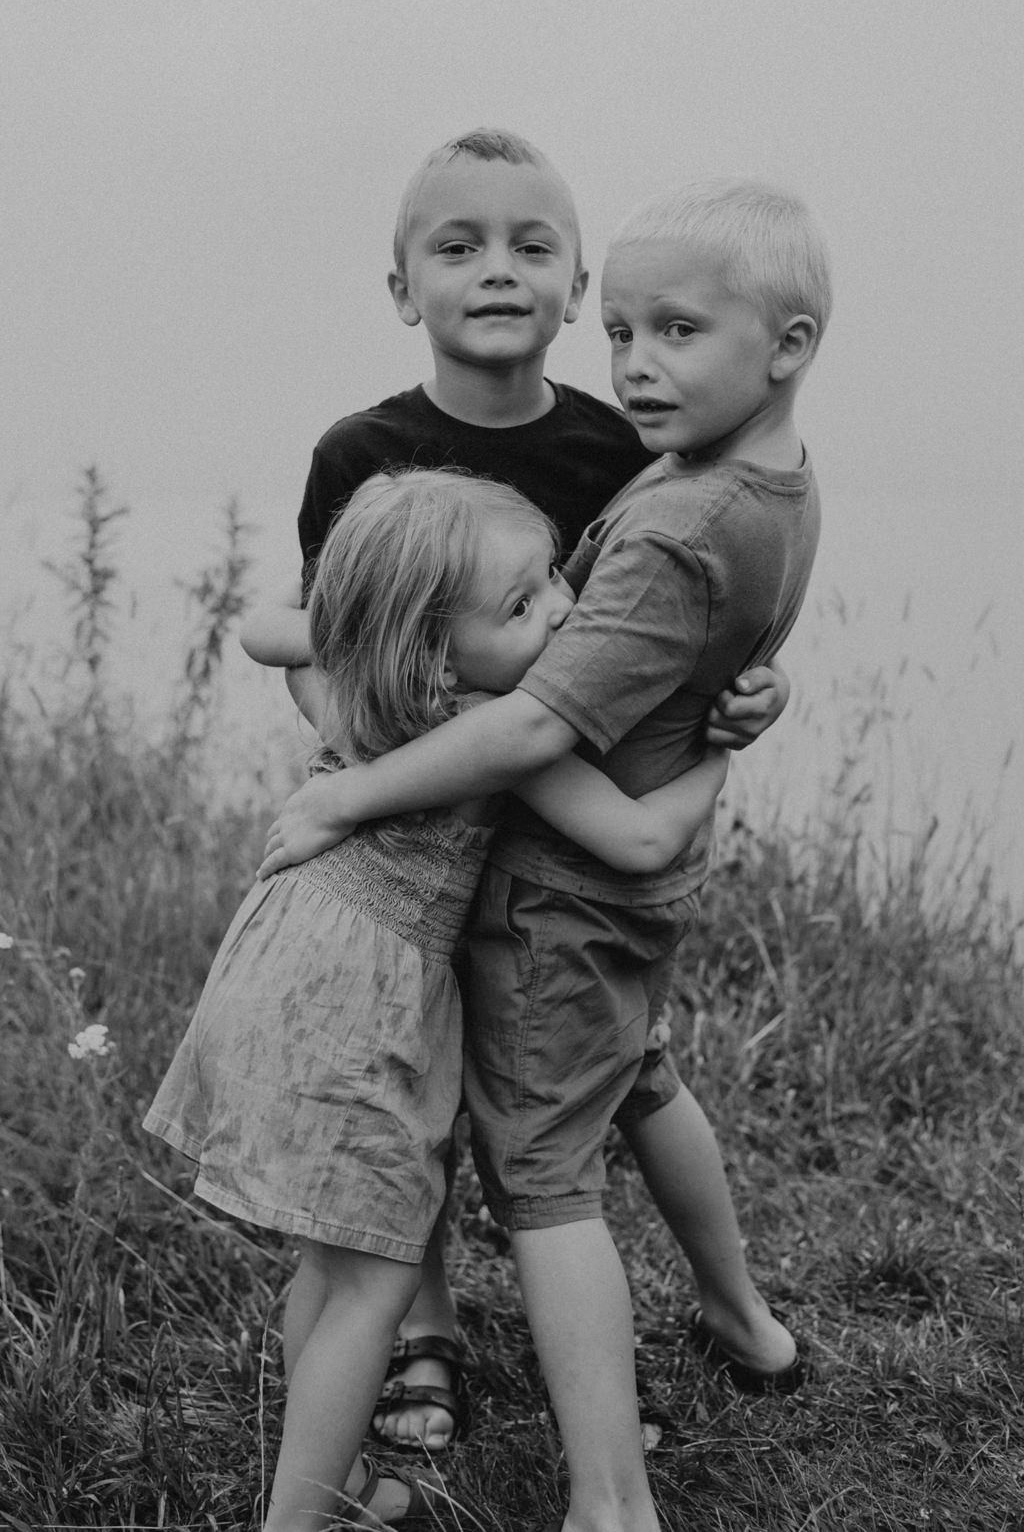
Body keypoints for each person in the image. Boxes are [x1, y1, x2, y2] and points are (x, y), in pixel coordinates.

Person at [258, 176, 832, 1532]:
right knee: (638, 1072)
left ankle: (609, 1495)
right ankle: (741, 1322)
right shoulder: (750, 480)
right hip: (620, 884)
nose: (637, 363)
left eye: (675, 333)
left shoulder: (674, 514)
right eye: (627, 334)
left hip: (557, 901)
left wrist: (351, 797)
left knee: (547, 1183)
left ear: (787, 344)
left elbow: (531, 719)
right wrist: (731, 710)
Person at [146, 468, 731, 1532]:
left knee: (330, 1265)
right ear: (431, 648)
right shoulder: (491, 726)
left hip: (283, 957)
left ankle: (334, 1488)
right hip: (356, 1001)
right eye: (520, 606)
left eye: (552, 576)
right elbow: (643, 839)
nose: (562, 608)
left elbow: (277, 636)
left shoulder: (365, 686)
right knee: (372, 1288)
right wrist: (721, 756)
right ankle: (298, 1520)